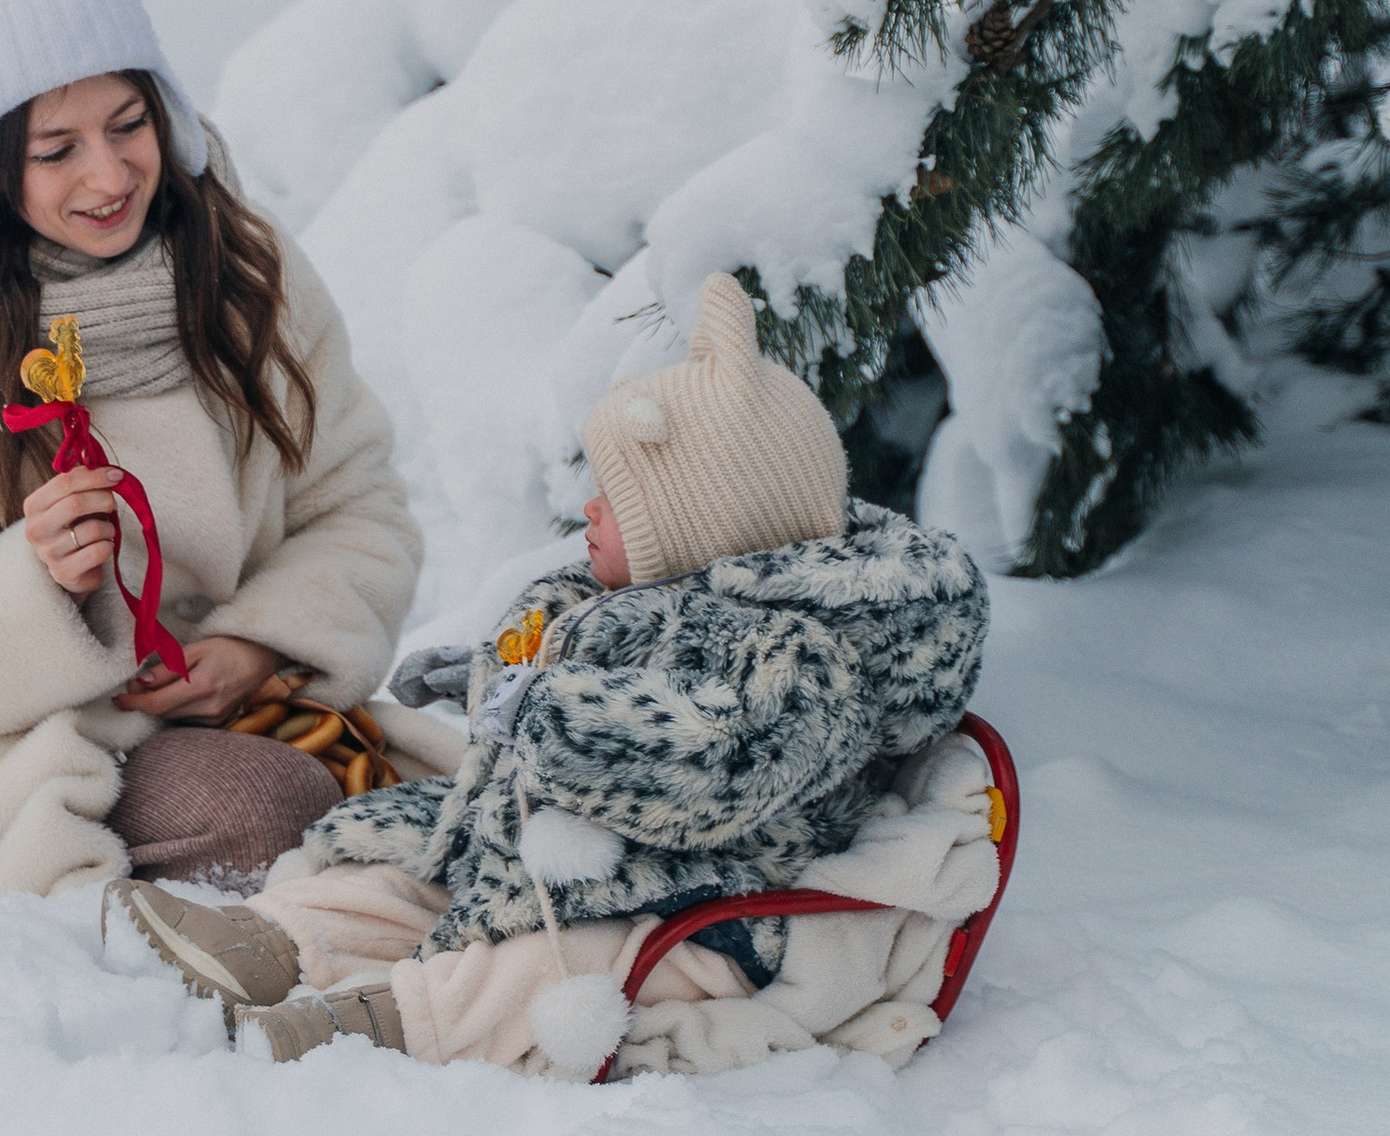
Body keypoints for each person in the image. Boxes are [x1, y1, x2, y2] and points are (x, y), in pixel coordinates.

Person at [113, 274, 990, 1075]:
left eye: (620, 500)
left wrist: (548, 711)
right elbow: (583, 669)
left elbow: (712, 761)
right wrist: (489, 674)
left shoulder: (798, 659)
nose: (589, 510)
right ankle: (277, 940)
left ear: (700, 528)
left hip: (705, 908)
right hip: (583, 860)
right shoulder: (646, 602)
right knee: (418, 866)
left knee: (532, 968)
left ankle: (380, 1025)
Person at [0, 0, 422, 927]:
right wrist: (36, 577)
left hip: (261, 712)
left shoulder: (245, 280)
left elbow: (359, 508)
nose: (108, 175)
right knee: (271, 811)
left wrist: (259, 645)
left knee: (435, 817)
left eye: (127, 125)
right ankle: (166, 959)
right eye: (56, 149)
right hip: (27, 766)